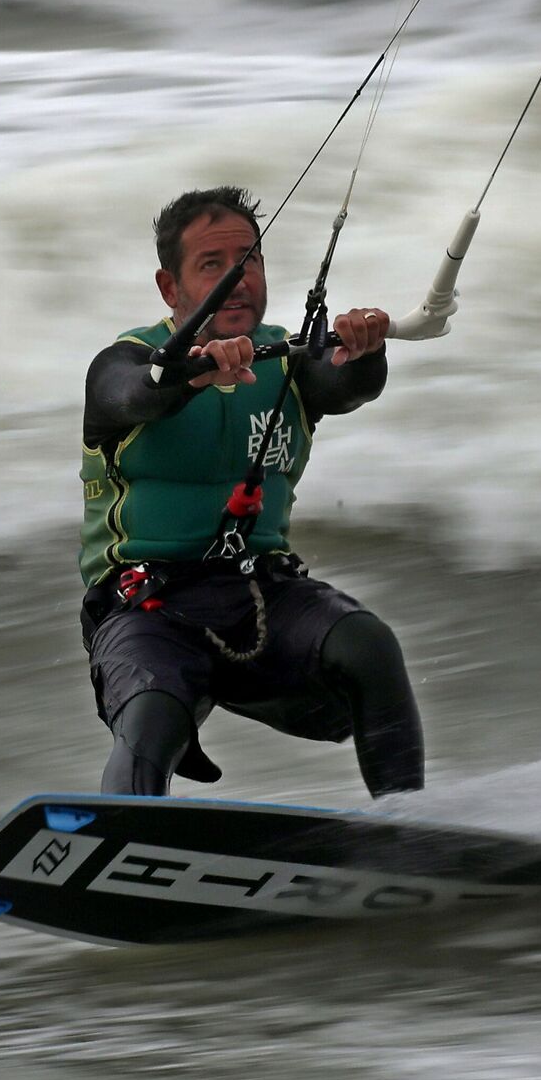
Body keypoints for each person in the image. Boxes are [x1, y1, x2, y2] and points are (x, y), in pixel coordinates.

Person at [79, 186, 425, 798]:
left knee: (368, 644)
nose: (237, 281)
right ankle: (121, 836)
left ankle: (409, 829)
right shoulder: (122, 362)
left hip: (261, 595)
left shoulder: (289, 360)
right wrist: (191, 372)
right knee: (153, 716)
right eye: (212, 265)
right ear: (170, 287)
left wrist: (364, 350)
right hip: (147, 607)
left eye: (249, 261)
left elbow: (346, 385)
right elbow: (133, 394)